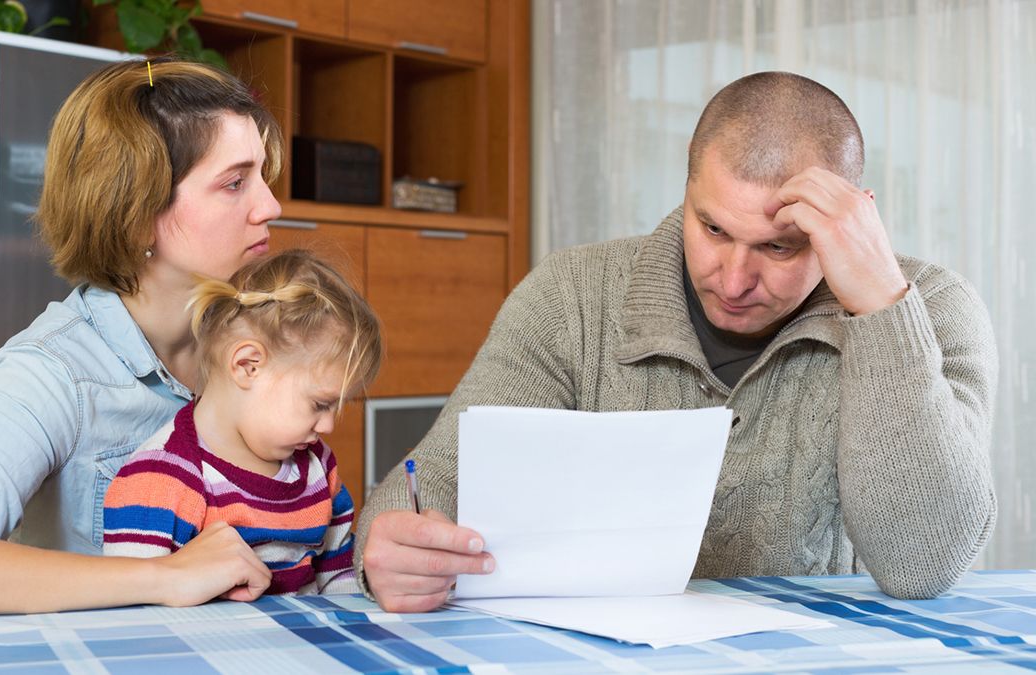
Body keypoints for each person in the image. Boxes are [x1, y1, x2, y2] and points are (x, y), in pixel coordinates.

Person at [355, 71, 999, 612]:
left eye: (779, 246)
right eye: (713, 228)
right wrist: (391, 552)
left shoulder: (933, 309)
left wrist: (883, 307)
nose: (736, 279)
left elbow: (924, 565)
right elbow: (426, 488)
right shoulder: (571, 295)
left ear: (853, 216)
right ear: (687, 189)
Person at [0, 57, 287, 616]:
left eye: (262, 176)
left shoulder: (264, 339)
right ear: (136, 215)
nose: (270, 206)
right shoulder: (55, 371)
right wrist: (159, 577)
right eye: (234, 183)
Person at [102, 249, 381, 596]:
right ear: (248, 365)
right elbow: (134, 600)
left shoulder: (318, 467)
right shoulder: (160, 480)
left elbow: (340, 578)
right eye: (319, 404)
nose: (327, 426)